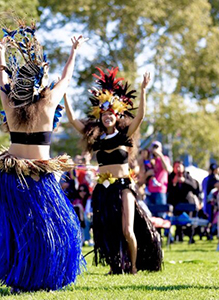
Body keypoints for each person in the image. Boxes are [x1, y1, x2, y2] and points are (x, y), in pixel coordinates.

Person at [0, 16, 87, 292]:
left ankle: (41, 276)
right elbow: (66, 78)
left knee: (45, 228)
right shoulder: (39, 102)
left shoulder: (27, 102)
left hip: (33, 176)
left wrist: (1, 54)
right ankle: (23, 278)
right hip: (17, 177)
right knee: (21, 230)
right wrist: (73, 51)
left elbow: (3, 79)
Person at [65, 67, 162, 274]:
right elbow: (73, 120)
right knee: (107, 230)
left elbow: (140, 118)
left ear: (117, 115)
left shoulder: (125, 134)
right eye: (104, 114)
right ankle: (115, 266)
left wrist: (143, 91)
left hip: (124, 186)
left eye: (111, 114)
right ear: (100, 116)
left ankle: (134, 267)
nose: (107, 117)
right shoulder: (95, 137)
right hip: (103, 188)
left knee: (127, 229)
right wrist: (64, 94)